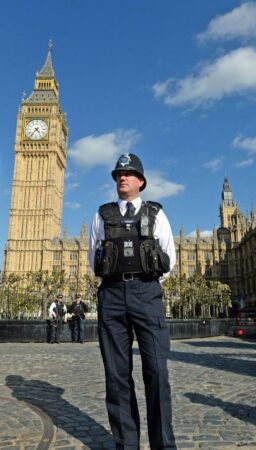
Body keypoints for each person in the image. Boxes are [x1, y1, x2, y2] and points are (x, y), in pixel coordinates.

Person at [89, 153, 177, 450]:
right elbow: (94, 258)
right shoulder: (102, 215)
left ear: (141, 181)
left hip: (146, 295)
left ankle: (163, 445)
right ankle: (127, 444)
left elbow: (169, 259)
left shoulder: (156, 214)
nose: (121, 177)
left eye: (128, 173)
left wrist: (145, 282)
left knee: (157, 373)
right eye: (118, 174)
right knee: (116, 376)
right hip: (111, 296)